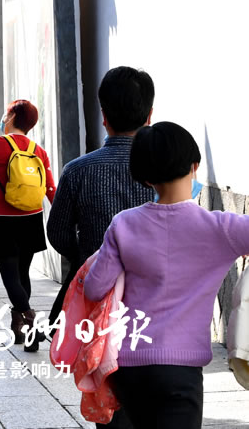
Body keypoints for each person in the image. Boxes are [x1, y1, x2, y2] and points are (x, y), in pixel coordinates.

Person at [84, 122, 249, 429]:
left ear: (145, 178)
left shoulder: (124, 224)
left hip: (127, 366)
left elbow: (94, 289)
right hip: (180, 371)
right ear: (194, 166)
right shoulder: (221, 229)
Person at [46, 67, 155, 342]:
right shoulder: (165, 171)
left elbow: (57, 233)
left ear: (103, 116)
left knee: (97, 368)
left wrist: (86, 255)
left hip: (96, 292)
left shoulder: (77, 170)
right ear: (150, 115)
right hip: (152, 290)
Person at [0, 99, 56, 351]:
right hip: (31, 220)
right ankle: (21, 332)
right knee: (22, 274)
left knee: (10, 278)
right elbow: (50, 187)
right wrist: (62, 211)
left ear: (10, 117)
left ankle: (32, 322)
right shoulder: (37, 150)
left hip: (3, 220)